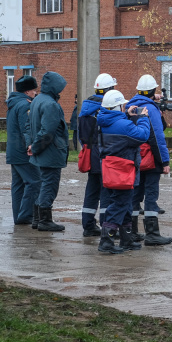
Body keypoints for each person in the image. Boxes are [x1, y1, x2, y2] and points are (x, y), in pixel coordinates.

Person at [96, 90, 151, 254]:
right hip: (123, 169)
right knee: (120, 204)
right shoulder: (123, 125)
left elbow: (120, 127)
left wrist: (127, 115)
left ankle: (126, 239)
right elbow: (142, 135)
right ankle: (106, 241)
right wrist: (143, 118)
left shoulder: (105, 121)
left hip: (112, 168)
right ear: (116, 107)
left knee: (125, 204)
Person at [126, 75, 172, 246]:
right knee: (151, 195)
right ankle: (152, 233)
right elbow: (158, 137)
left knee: (135, 195)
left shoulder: (130, 106)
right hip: (151, 159)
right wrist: (165, 162)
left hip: (134, 157)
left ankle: (131, 231)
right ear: (154, 91)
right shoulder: (151, 109)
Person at [25, 71, 69, 232]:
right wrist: (35, 147)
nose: (61, 91)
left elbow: (29, 126)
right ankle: (44, 220)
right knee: (49, 185)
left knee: (44, 184)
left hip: (42, 152)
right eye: (59, 88)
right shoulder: (51, 104)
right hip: (50, 152)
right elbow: (47, 132)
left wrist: (31, 145)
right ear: (54, 87)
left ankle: (38, 219)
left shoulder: (37, 101)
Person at [77, 73, 116, 237]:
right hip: (103, 153)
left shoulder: (85, 108)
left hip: (89, 153)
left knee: (92, 191)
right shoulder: (105, 108)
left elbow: (79, 133)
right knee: (106, 191)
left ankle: (88, 225)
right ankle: (107, 226)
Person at [6, 75, 40, 226]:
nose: (35, 93)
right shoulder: (25, 105)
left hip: (14, 151)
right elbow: (26, 129)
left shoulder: (13, 103)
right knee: (34, 182)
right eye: (33, 90)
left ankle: (18, 216)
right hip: (23, 152)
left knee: (18, 185)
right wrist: (30, 146)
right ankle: (26, 216)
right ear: (27, 92)